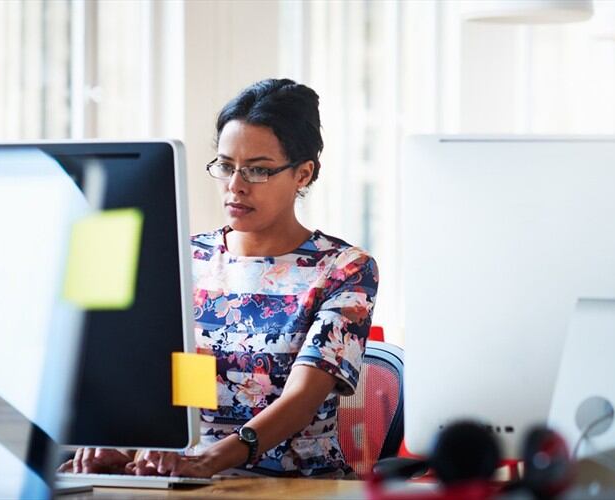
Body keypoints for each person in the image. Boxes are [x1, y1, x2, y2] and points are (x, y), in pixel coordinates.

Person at [59, 78, 379, 479]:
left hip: (297, 485)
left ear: (303, 174)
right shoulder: (188, 257)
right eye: (226, 166)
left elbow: (302, 399)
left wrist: (212, 461)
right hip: (193, 479)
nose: (235, 186)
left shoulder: (344, 268)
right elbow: (181, 382)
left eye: (258, 171)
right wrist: (124, 449)